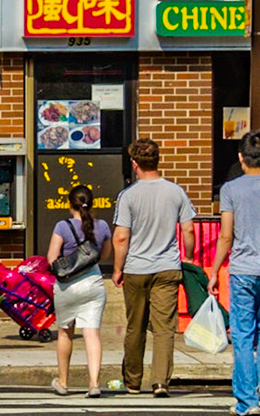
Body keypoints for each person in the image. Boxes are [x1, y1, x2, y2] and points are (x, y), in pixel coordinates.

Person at [112, 136, 197, 397]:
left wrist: (117, 268)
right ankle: (160, 381)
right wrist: (189, 257)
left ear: (134, 163)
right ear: (157, 161)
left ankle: (133, 381)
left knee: (135, 326)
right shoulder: (176, 192)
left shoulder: (128, 195)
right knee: (164, 328)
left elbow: (121, 237)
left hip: (136, 268)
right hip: (167, 266)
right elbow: (188, 230)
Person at [208, 130, 260, 416]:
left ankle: (247, 400)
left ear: (241, 157)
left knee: (242, 335)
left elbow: (225, 236)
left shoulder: (230, 189)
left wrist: (214, 270)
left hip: (243, 269)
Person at [45, 184, 112, 398]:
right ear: (91, 204)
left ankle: (63, 382)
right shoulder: (102, 226)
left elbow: (51, 258)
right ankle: (94, 384)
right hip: (93, 283)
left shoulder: (62, 226)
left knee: (65, 333)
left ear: (69, 204)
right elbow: (105, 255)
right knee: (91, 333)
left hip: (68, 286)